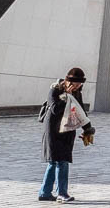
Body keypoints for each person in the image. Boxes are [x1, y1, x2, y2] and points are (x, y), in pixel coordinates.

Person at [38, 67, 95, 203]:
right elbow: (55, 109)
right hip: (53, 130)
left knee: (55, 161)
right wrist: (65, 97)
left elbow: (81, 112)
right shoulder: (55, 90)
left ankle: (45, 193)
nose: (78, 86)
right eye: (76, 83)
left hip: (68, 130)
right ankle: (62, 193)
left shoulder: (77, 93)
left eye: (80, 84)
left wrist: (87, 129)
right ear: (68, 81)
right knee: (60, 161)